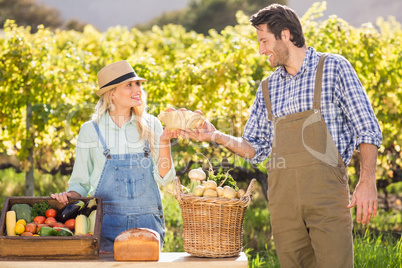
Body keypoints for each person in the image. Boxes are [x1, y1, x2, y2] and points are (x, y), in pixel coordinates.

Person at [179, 4, 382, 267]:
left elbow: (367, 127)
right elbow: (254, 148)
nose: (261, 50)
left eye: (264, 41)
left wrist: (367, 181)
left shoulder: (332, 68)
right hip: (284, 204)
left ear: (285, 35)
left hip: (328, 198)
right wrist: (216, 135)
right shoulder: (268, 87)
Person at [51, 60, 177, 253]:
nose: (137, 89)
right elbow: (80, 184)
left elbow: (164, 178)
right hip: (105, 225)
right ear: (112, 94)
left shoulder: (152, 125)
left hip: (148, 225)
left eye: (138, 84)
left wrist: (165, 142)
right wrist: (67, 197)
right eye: (129, 85)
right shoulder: (91, 130)